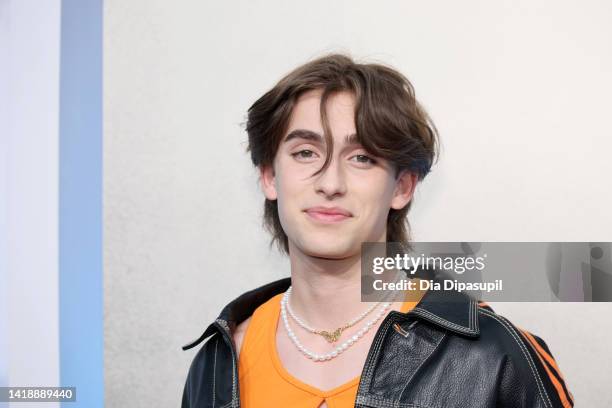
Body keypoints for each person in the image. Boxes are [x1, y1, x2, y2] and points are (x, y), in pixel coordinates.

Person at [181, 54, 573, 408]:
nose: (330, 183)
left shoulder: (495, 355)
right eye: (305, 153)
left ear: (402, 186)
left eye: (362, 158)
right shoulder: (221, 358)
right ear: (269, 176)